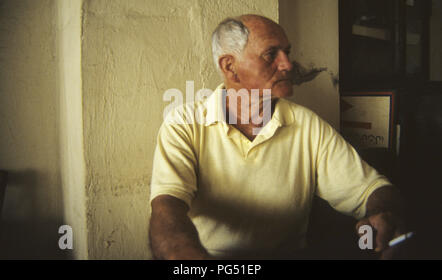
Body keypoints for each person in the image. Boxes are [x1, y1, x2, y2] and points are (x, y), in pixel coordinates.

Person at [149, 14, 405, 260]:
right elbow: (167, 210)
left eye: (287, 52)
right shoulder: (184, 124)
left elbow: (371, 188)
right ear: (230, 67)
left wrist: (383, 213)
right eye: (271, 54)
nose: (287, 64)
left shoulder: (306, 125)